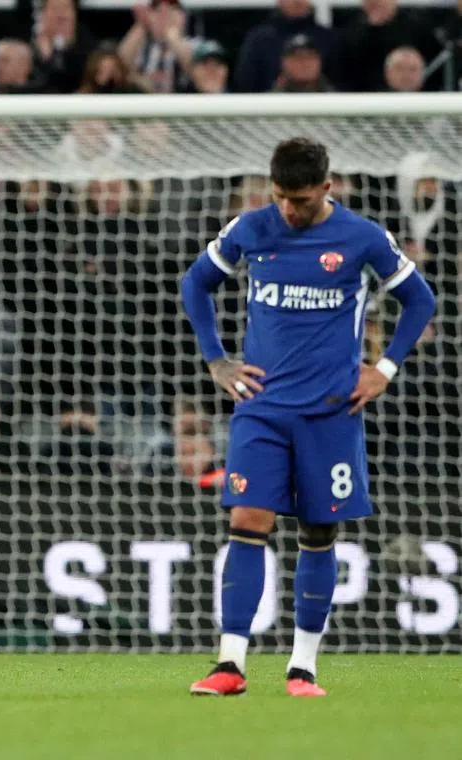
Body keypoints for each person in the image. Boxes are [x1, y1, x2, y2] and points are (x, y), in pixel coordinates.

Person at [180, 138, 435, 697]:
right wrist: (218, 361)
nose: (288, 211)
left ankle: (302, 667)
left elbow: (421, 300)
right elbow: (195, 283)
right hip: (262, 409)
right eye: (279, 198)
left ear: (325, 187)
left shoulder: (363, 238)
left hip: (329, 412)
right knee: (247, 520)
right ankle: (230, 664)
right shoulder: (252, 228)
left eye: (297, 200)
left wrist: (384, 369)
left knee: (319, 532)